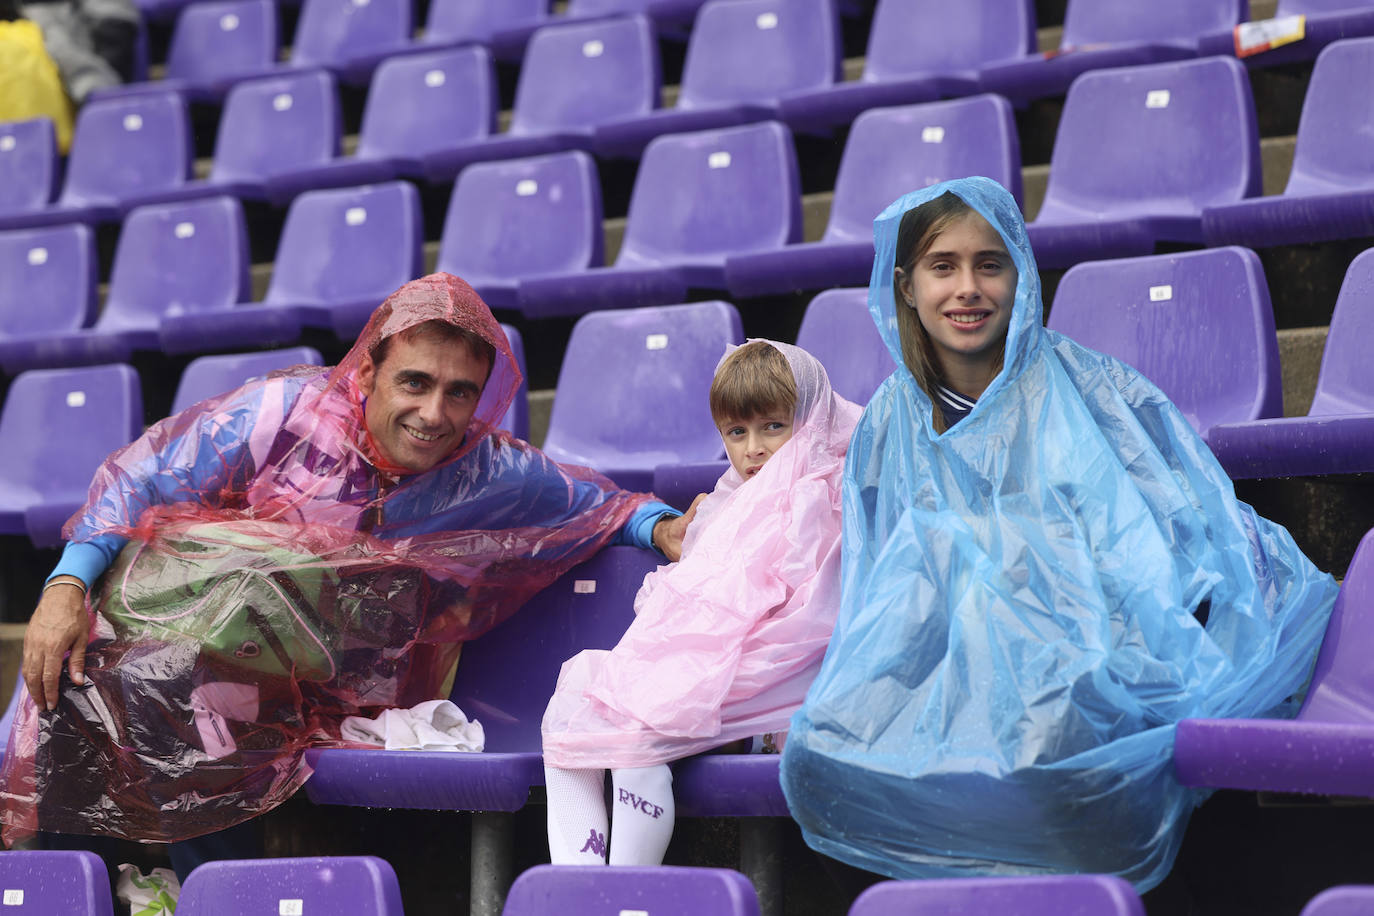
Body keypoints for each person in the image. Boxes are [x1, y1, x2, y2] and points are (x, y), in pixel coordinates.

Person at [2, 273, 690, 862]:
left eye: (459, 392)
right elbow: (139, 483)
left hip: (346, 690)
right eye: (414, 383)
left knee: (178, 697)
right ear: (366, 371)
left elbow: (608, 506)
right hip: (208, 661)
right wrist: (65, 586)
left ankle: (209, 895)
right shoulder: (281, 414)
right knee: (82, 684)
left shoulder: (490, 470)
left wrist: (666, 528)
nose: (434, 413)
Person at [779, 177, 1341, 890]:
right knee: (835, 725)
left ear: (1020, 273)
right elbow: (879, 581)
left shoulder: (1085, 386)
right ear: (906, 285)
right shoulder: (892, 417)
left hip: (1083, 646)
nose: (968, 288)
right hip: (941, 655)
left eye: (991, 263)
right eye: (942, 266)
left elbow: (1138, 549)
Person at [542, 340, 860, 866]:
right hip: (719, 670)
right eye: (737, 432)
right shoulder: (727, 501)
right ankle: (582, 889)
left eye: (773, 427)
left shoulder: (823, 494)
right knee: (578, 696)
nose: (753, 448)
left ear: (809, 419)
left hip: (777, 683)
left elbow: (807, 620)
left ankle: (625, 895)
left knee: (632, 732)